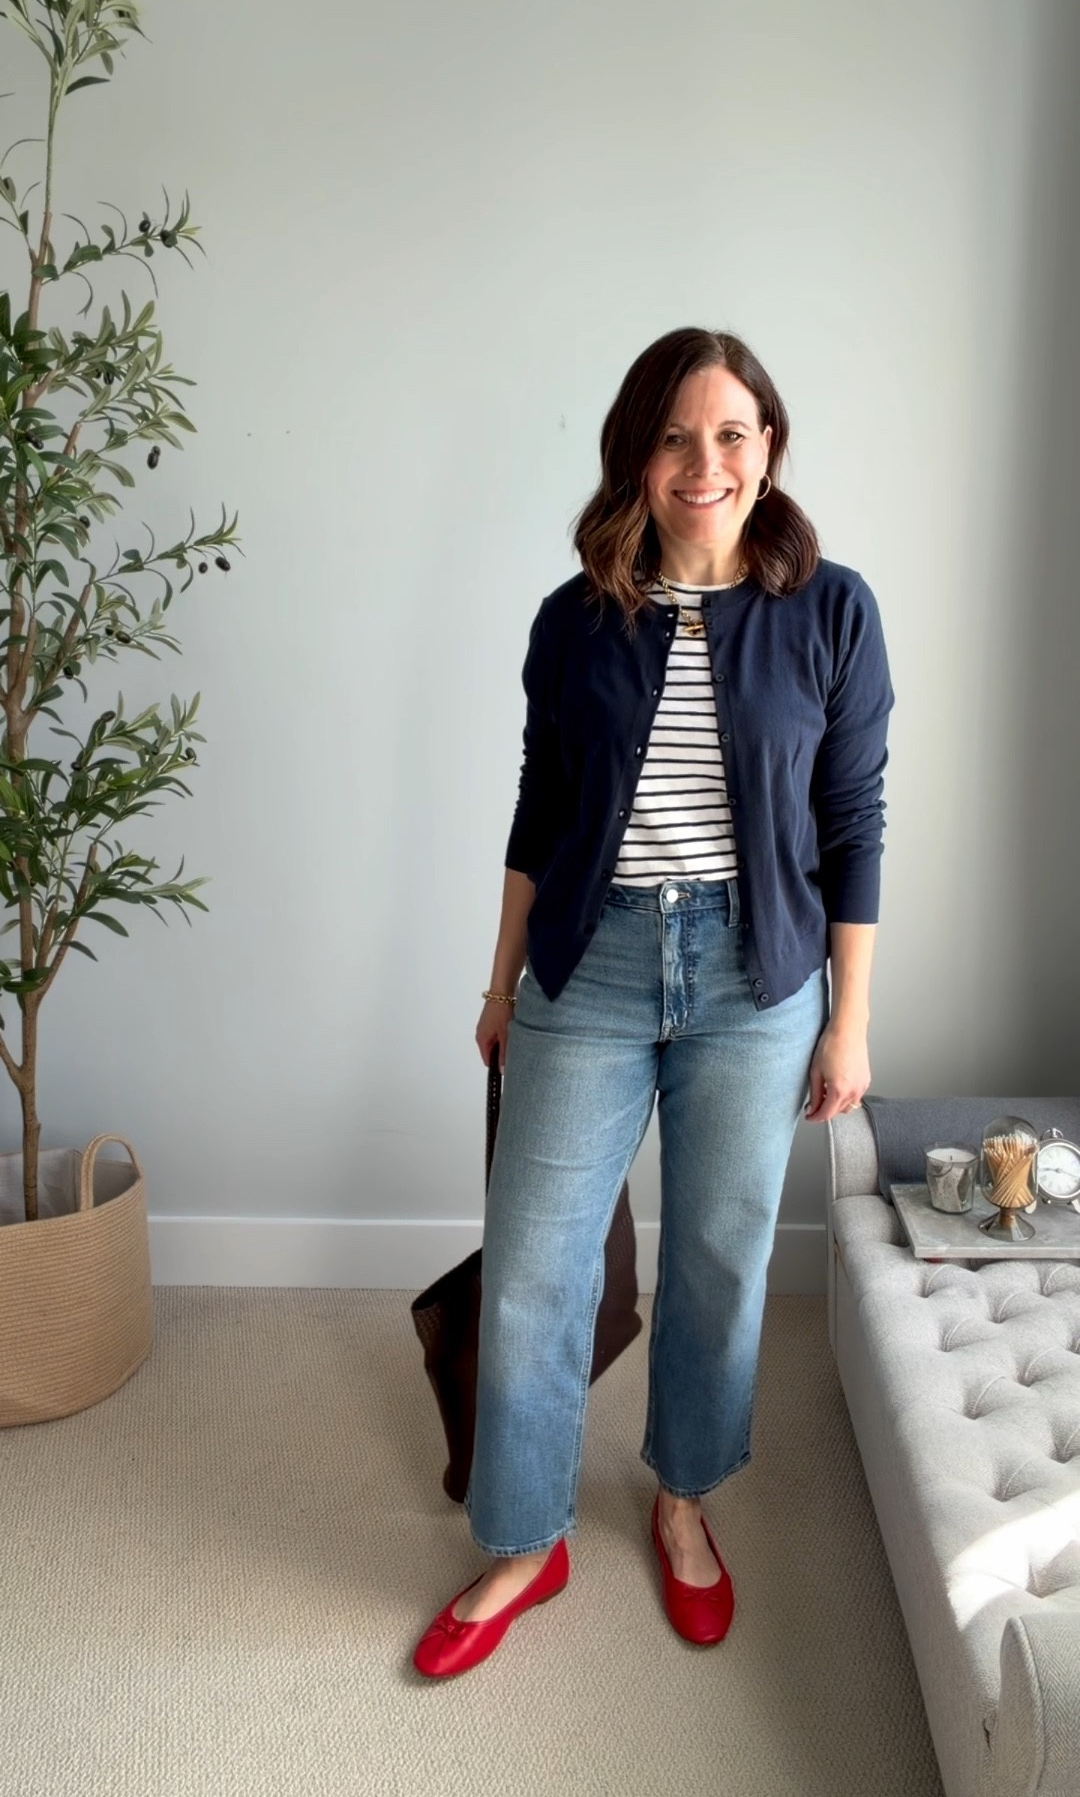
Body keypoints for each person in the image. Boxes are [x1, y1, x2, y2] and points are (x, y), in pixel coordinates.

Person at [412, 326, 894, 1678]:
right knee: (537, 1264)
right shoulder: (576, 621)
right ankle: (526, 1536)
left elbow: (852, 822)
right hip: (594, 962)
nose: (706, 462)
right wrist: (501, 980)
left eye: (732, 433)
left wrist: (848, 1021)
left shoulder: (832, 611)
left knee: (719, 1259)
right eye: (678, 436)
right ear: (639, 454)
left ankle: (682, 1503)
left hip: (759, 980)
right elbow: (539, 808)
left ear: (769, 448)